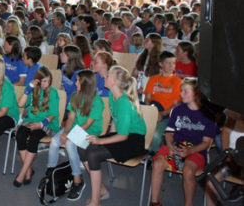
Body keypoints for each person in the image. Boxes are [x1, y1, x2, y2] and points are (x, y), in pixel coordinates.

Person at [78, 66, 146, 206]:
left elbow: (123, 136)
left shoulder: (124, 103)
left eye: (108, 75)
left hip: (133, 140)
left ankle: (95, 201)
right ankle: (101, 190)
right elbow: (115, 123)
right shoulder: (111, 95)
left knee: (93, 154)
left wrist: (101, 141)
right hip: (121, 136)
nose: (104, 77)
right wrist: (105, 139)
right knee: (82, 146)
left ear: (115, 82)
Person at [149, 78, 216, 206]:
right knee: (157, 163)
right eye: (181, 91)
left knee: (188, 171)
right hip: (176, 146)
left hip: (196, 150)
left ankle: (188, 204)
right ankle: (155, 202)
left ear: (196, 93)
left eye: (185, 91)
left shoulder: (208, 114)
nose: (181, 94)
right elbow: (169, 132)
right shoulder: (178, 110)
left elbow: (206, 143)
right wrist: (169, 145)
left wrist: (190, 151)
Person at [47, 69, 104, 201]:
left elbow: (88, 125)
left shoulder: (97, 101)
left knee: (69, 143)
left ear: (85, 84)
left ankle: (77, 181)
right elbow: (71, 118)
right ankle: (51, 171)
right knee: (55, 141)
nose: (75, 82)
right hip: (75, 128)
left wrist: (70, 136)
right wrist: (66, 132)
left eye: (78, 80)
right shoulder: (75, 96)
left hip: (90, 132)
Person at [14, 66, 60, 187]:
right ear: (38, 80)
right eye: (44, 81)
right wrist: (28, 88)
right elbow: (20, 104)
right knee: (20, 135)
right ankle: (28, 170)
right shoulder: (33, 89)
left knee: (34, 138)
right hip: (31, 120)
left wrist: (41, 124)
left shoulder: (53, 92)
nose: (47, 84)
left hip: (47, 124)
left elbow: (53, 114)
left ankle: (23, 172)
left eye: (48, 81)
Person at [144, 51, 182, 153]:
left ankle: (152, 155)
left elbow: (175, 104)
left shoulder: (178, 82)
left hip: (166, 114)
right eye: (168, 63)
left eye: (173, 63)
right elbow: (147, 98)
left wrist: (161, 114)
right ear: (161, 64)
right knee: (140, 130)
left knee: (155, 136)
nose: (171, 66)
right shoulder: (153, 79)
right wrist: (151, 112)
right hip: (152, 110)